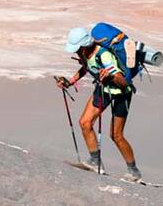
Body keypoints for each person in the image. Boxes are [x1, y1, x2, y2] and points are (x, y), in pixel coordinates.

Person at [56, 26, 143, 182]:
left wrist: (110, 77)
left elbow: (123, 82)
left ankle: (134, 172)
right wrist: (69, 82)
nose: (75, 52)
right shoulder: (85, 54)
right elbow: (85, 67)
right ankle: (95, 162)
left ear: (83, 46)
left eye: (76, 48)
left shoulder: (104, 56)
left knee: (116, 135)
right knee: (85, 122)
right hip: (103, 89)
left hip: (122, 94)